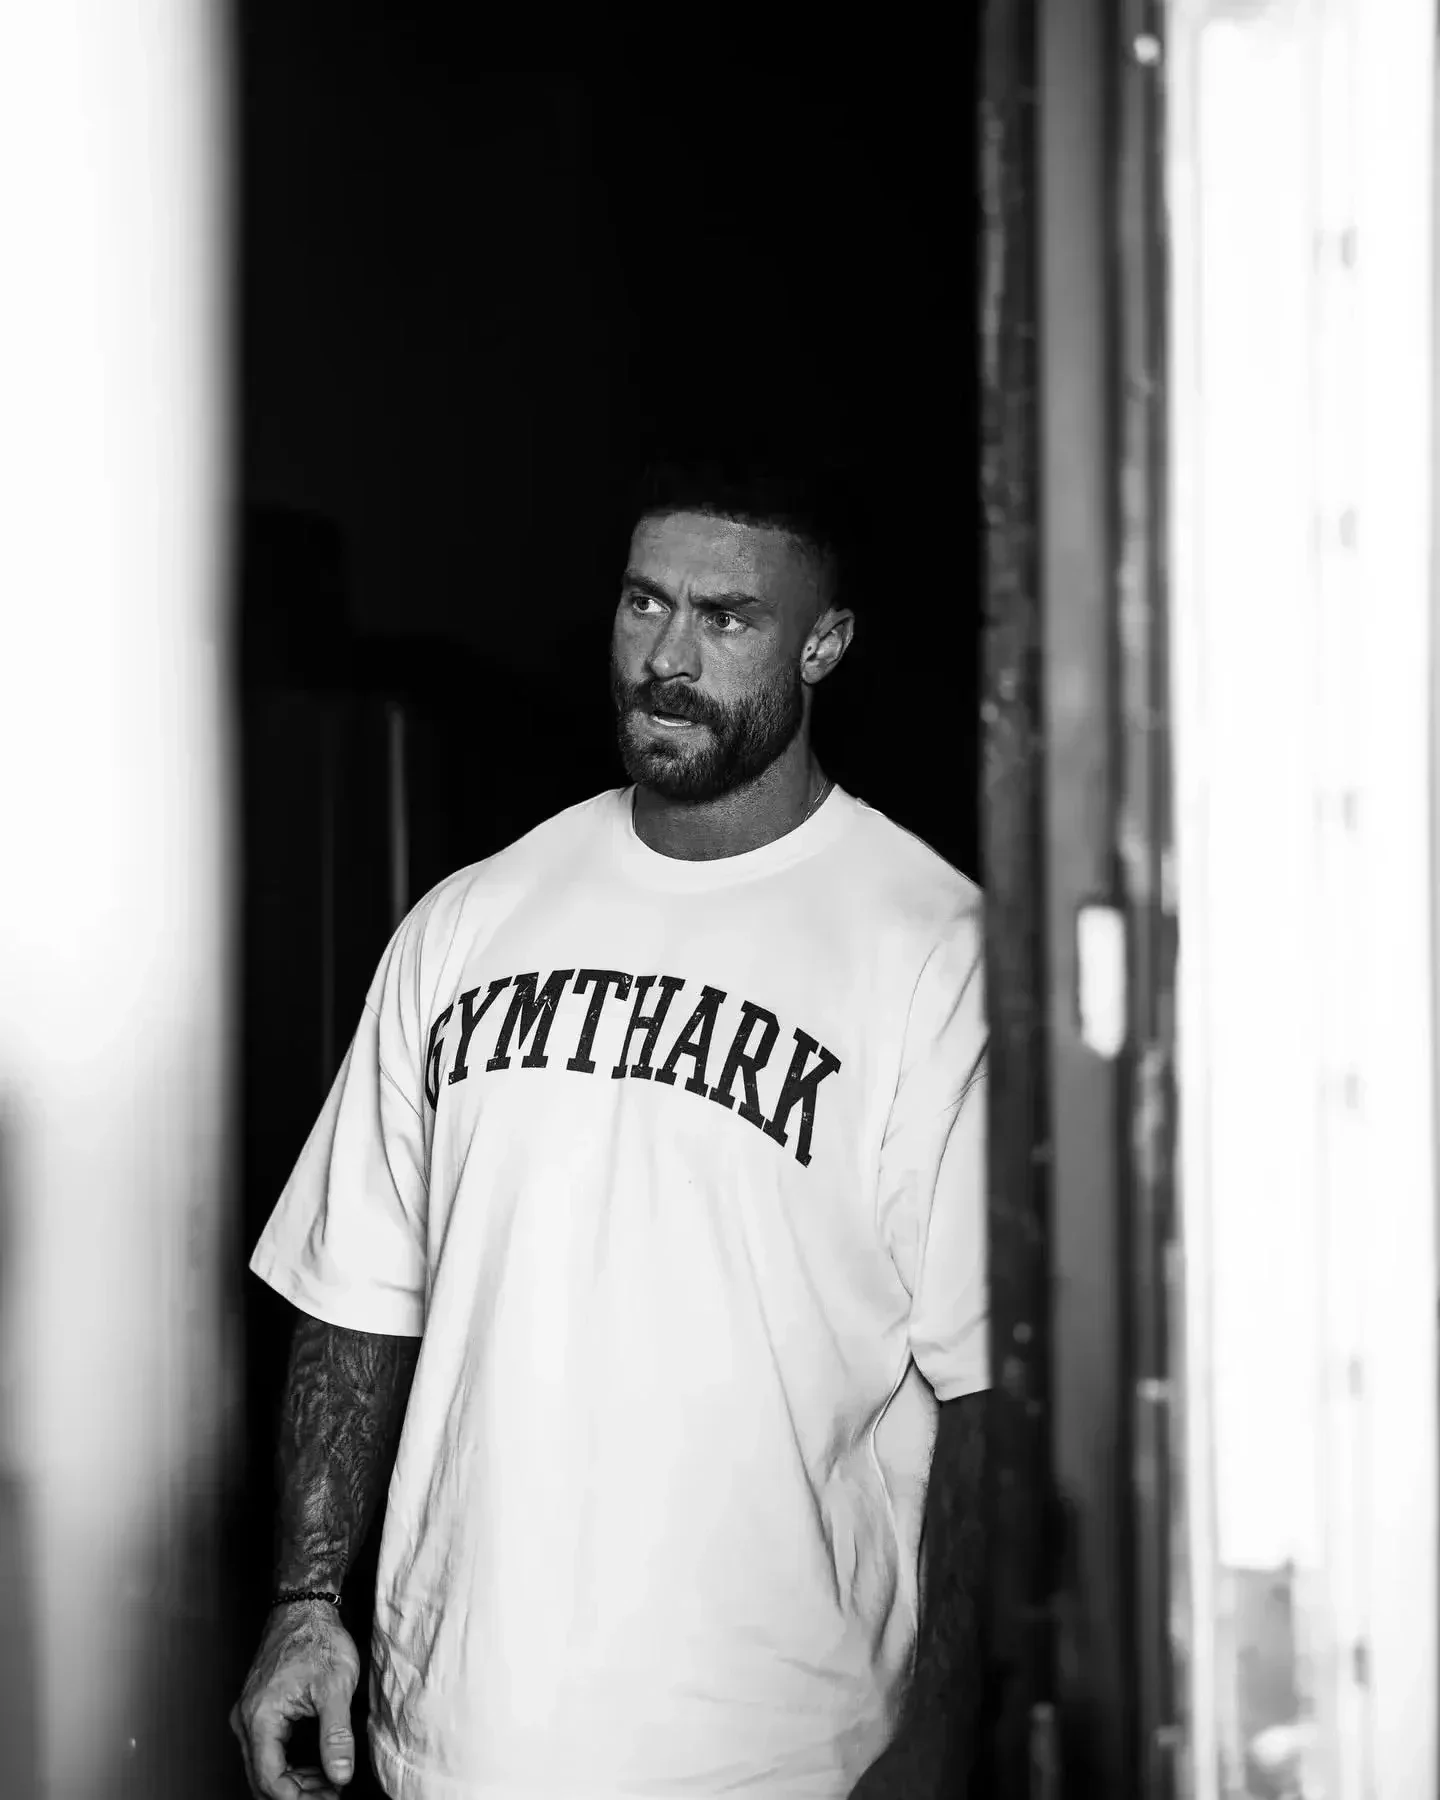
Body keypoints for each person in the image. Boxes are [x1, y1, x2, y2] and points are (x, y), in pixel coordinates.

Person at [230, 453, 990, 1800]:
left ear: (825, 642)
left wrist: (941, 1744)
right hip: (452, 1750)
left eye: (727, 617)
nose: (668, 658)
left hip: (780, 1761)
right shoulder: (471, 919)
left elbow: (993, 1399)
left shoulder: (930, 951)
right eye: (644, 606)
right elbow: (355, 1291)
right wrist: (305, 1599)